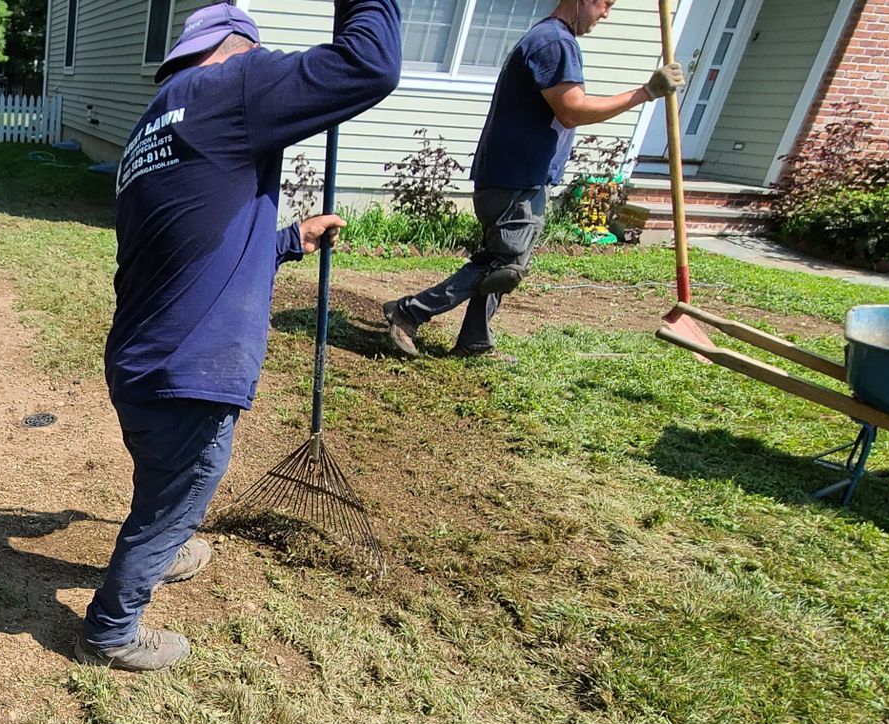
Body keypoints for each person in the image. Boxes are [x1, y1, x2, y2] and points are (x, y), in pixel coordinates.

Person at [80, 1, 401, 672]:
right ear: (238, 48)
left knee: (164, 475)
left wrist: (287, 239)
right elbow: (369, 65)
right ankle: (111, 629)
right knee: (181, 489)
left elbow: (191, 234)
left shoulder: (156, 122)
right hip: (186, 367)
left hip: (141, 358)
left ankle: (166, 550)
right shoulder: (232, 85)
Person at [383, 0, 683, 359]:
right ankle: (410, 312)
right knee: (503, 266)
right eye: (605, 3)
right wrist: (646, 93)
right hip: (515, 178)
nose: (606, 14)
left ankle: (475, 341)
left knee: (503, 263)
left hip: (521, 176)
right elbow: (571, 110)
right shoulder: (555, 43)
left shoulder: (551, 38)